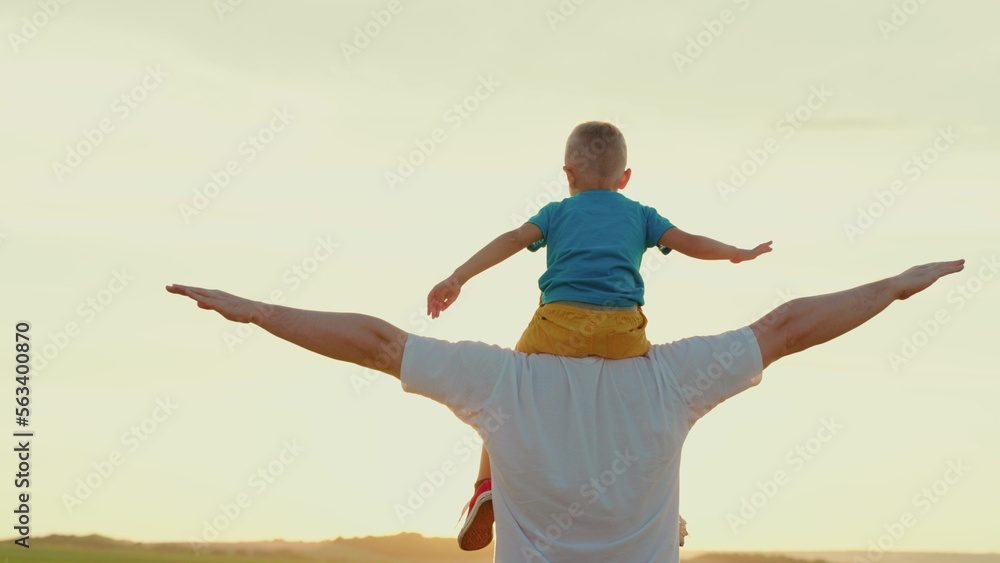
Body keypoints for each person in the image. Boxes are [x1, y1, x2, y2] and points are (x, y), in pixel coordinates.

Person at [166, 259, 964, 563]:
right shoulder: (672, 377)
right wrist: (891, 287)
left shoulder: (504, 380)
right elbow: (788, 326)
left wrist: (259, 310)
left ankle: (488, 491)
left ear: (546, 308)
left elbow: (376, 341)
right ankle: (504, 495)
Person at [426, 121, 771, 550]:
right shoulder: (641, 214)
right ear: (625, 178)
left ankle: (485, 485)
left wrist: (458, 277)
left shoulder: (555, 212)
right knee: (646, 404)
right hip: (621, 333)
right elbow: (688, 241)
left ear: (568, 174)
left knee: (505, 390)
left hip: (558, 328)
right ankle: (663, 503)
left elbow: (513, 240)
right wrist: (734, 253)